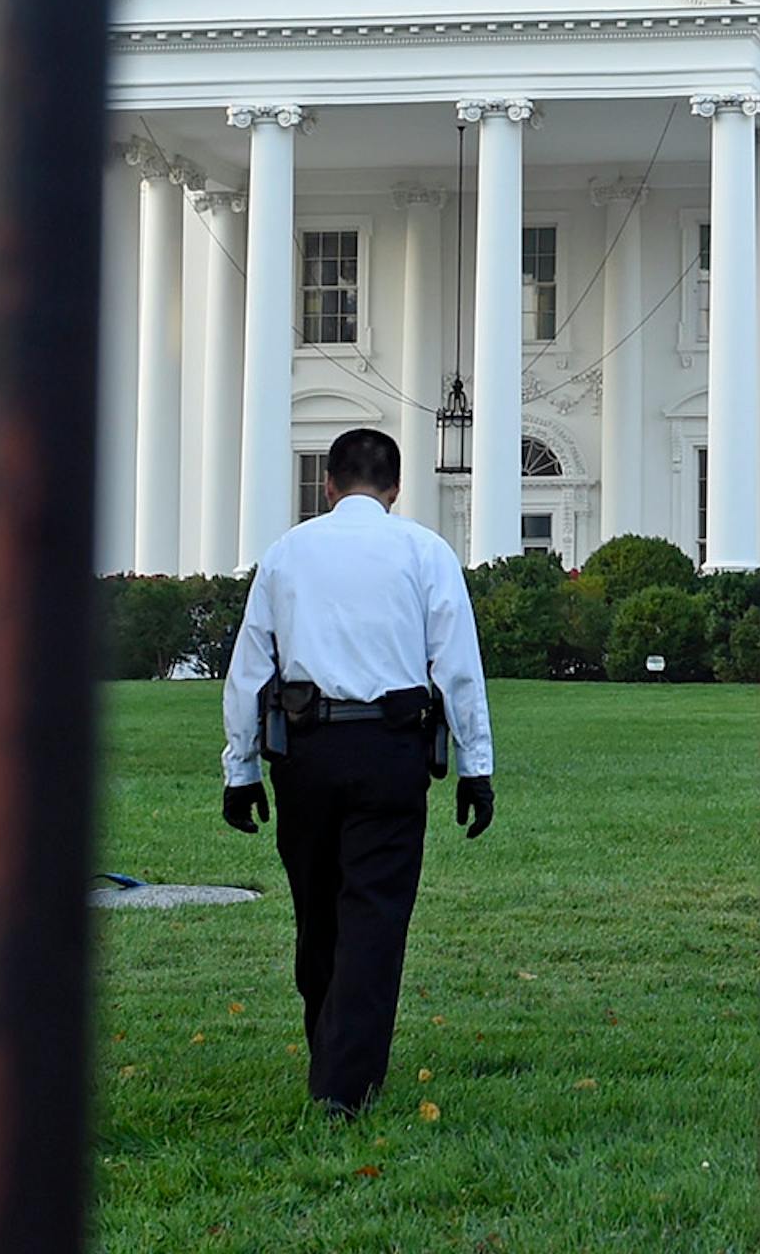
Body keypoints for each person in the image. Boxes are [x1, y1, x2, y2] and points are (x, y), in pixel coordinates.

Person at [220, 427, 495, 1119]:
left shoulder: (286, 554)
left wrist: (241, 770)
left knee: (317, 913)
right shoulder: (425, 552)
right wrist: (476, 768)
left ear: (329, 485)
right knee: (374, 914)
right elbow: (458, 668)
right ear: (396, 489)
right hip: (392, 751)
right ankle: (345, 1080)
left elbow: (249, 670)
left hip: (306, 752)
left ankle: (333, 1057)